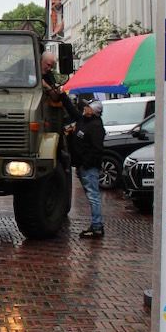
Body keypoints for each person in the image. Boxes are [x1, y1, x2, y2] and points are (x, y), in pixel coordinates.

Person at [67, 96, 105, 239]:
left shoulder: (96, 126)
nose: (85, 108)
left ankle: (97, 227)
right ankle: (96, 225)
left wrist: (85, 164)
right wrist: (63, 96)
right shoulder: (84, 120)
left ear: (93, 110)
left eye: (88, 107)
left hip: (89, 168)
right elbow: (72, 111)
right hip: (83, 166)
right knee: (92, 196)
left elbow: (97, 149)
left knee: (93, 196)